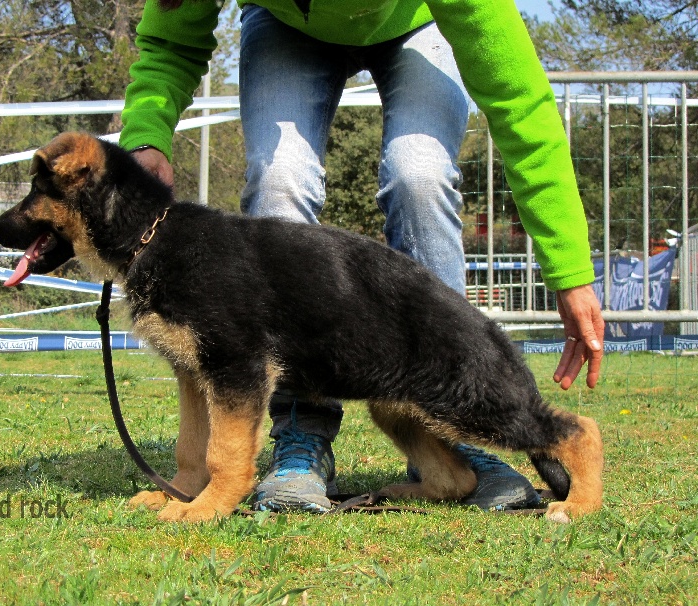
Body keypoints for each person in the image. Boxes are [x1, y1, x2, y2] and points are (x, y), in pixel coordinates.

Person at [119, 0, 605, 513]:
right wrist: (146, 134)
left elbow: (519, 100)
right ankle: (298, 443)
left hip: (415, 23)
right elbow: (170, 40)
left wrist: (569, 269)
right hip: (284, 27)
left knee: (420, 176)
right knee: (278, 181)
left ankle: (455, 438)